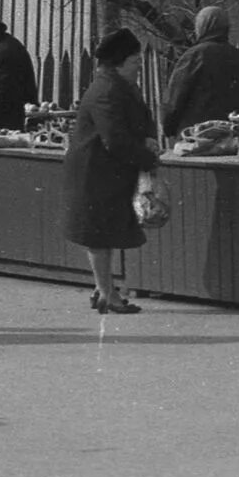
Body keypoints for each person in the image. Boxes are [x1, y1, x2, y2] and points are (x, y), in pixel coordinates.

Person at [63, 28, 158, 315]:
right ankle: (107, 294)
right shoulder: (108, 89)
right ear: (119, 63)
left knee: (101, 233)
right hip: (96, 172)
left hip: (103, 171)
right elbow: (114, 138)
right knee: (99, 235)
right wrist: (147, 158)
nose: (139, 67)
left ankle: (102, 288)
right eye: (135, 62)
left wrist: (146, 139)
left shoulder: (115, 85)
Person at [160, 4, 239, 138]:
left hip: (196, 135)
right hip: (232, 135)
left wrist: (168, 127)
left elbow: (175, 97)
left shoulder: (195, 55)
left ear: (201, 26)